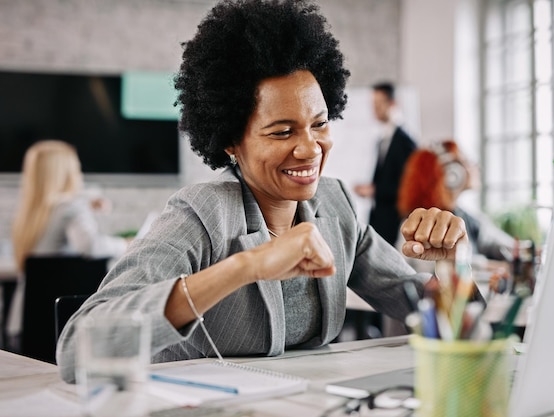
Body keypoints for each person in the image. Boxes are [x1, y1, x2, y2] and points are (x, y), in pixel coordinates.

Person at [56, 0, 478, 383]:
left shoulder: (334, 204)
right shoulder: (200, 214)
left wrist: (452, 267)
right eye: (282, 131)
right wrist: (245, 266)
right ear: (230, 142)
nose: (310, 147)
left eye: (320, 123)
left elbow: (445, 321)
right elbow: (78, 346)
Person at [7, 140, 128, 349]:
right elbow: (91, 246)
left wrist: (89, 201)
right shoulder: (71, 207)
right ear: (67, 172)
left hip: (23, 325)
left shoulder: (29, 214)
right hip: (62, 327)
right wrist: (125, 244)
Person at [397, 139, 516, 271]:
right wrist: (496, 267)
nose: (475, 168)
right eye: (466, 162)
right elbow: (433, 265)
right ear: (452, 173)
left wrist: (525, 250)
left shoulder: (463, 215)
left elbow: (494, 241)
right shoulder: (421, 223)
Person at [353, 82, 417, 245]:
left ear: (393, 104)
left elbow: (407, 186)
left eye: (379, 104)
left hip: (394, 223)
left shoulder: (405, 142)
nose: (375, 109)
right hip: (380, 219)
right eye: (373, 104)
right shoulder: (384, 137)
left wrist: (374, 190)